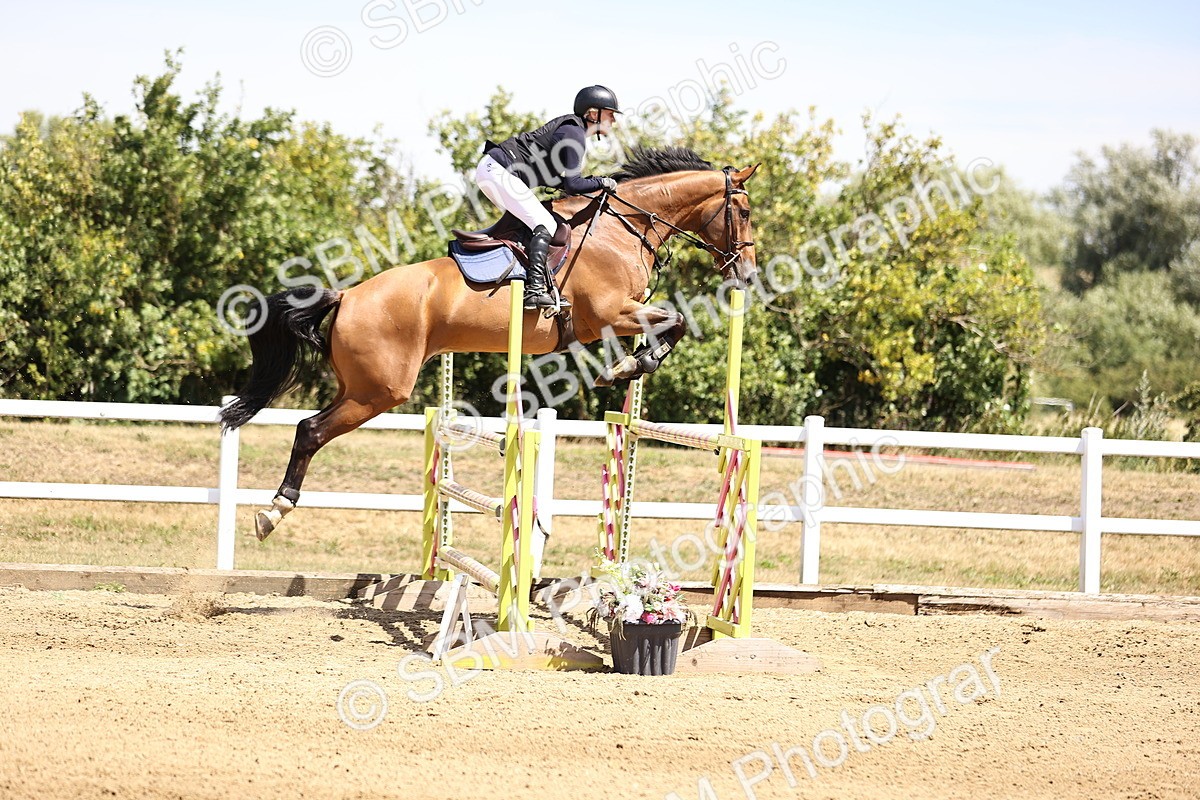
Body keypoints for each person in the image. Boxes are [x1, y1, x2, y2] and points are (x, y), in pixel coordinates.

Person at [474, 85, 621, 310]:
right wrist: (602, 182)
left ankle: (521, 277)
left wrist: (594, 182)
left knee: (534, 221)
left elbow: (553, 178)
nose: (613, 120)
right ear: (593, 114)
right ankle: (534, 290)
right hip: (498, 171)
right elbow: (573, 184)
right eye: (610, 114)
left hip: (495, 170)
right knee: (545, 224)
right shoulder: (574, 133)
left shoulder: (572, 129)